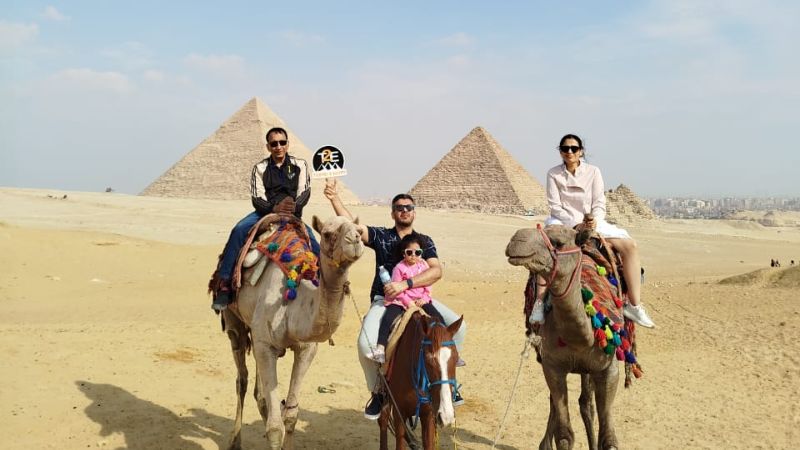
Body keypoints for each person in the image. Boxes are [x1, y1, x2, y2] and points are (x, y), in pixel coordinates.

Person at [324, 179, 466, 420]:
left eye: (409, 207)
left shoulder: (424, 241)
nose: (404, 210)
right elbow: (352, 227)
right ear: (393, 212)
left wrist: (406, 284)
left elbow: (436, 271)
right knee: (364, 345)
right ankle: (379, 392)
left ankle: (448, 385)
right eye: (399, 207)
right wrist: (334, 198)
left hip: (419, 298)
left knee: (459, 330)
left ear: (414, 212)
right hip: (387, 300)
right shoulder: (381, 236)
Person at [532, 133, 656, 328]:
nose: (569, 152)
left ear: (581, 151)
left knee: (630, 246)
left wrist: (592, 222)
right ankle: (539, 303)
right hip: (563, 221)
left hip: (592, 222)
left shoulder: (593, 172)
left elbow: (599, 203)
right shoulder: (553, 174)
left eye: (574, 148)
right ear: (560, 152)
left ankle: (634, 305)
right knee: (546, 249)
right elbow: (555, 206)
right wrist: (576, 224)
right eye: (565, 149)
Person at [211, 127, 320, 311]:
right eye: (274, 144)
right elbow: (257, 197)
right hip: (265, 213)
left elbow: (305, 191)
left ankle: (326, 287)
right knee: (238, 230)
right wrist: (274, 208)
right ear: (268, 147)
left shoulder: (299, 165)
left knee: (315, 245)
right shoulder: (260, 168)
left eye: (282, 143)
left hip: (292, 213)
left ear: (287, 144)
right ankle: (225, 284)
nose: (278, 147)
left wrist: (293, 206)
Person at [367, 234, 446, 363]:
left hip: (420, 299)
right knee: (387, 319)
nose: (413, 255)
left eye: (418, 252)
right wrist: (408, 302)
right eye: (409, 252)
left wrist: (425, 298)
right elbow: (396, 290)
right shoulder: (399, 268)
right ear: (404, 254)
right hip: (400, 300)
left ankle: (447, 346)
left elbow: (428, 285)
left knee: (438, 318)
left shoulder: (424, 266)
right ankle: (380, 348)